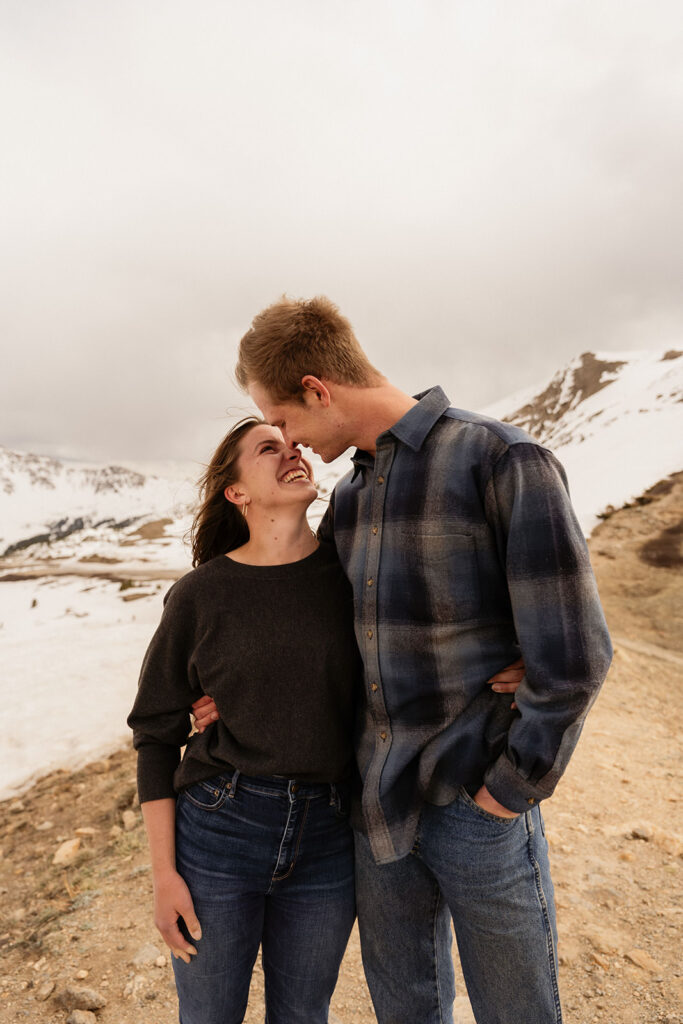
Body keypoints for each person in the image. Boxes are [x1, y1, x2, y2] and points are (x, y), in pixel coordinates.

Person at [194, 295, 613, 1024]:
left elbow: (574, 656)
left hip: (477, 807)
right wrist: (233, 693)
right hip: (376, 812)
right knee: (406, 1013)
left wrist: (505, 796)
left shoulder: (499, 458)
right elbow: (317, 631)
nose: (288, 442)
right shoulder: (349, 500)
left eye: (285, 420)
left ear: (317, 390)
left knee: (517, 1012)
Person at [128, 412, 527, 1023]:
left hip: (328, 837)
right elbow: (155, 737)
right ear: (236, 492)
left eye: (294, 443)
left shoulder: (354, 580)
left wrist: (522, 657)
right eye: (267, 449)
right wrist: (163, 877)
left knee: (304, 1015)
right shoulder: (200, 595)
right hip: (220, 830)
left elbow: (432, 636)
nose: (292, 452)